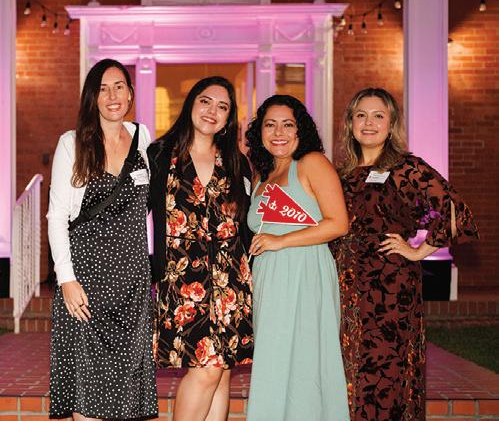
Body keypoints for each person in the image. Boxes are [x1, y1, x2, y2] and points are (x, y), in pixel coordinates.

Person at [331, 87, 479, 421]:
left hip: (389, 290)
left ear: (391, 124)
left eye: (378, 116)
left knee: (385, 372)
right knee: (347, 371)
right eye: (361, 115)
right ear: (350, 123)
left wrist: (417, 252)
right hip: (344, 289)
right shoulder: (341, 174)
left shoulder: (406, 168)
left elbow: (455, 212)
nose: (369, 123)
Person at [47, 59, 158, 419]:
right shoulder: (73, 143)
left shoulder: (143, 138)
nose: (112, 96)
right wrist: (66, 279)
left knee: (126, 392)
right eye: (103, 89)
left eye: (119, 87)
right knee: (88, 390)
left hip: (132, 285)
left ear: (130, 93)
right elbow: (57, 216)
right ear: (92, 97)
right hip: (86, 284)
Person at [147, 76, 253, 421]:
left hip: (231, 282)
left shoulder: (236, 162)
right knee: (206, 371)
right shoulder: (160, 155)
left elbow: (246, 224)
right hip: (182, 280)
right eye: (206, 101)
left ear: (229, 118)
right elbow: (136, 212)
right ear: (191, 103)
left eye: (223, 107)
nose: (212, 111)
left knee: (220, 374)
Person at [245, 94, 350, 421]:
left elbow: (339, 223)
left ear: (300, 130)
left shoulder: (311, 163)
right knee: (273, 358)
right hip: (269, 276)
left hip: (305, 273)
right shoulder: (261, 175)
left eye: (287, 124)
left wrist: (281, 241)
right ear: (260, 132)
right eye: (270, 125)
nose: (278, 132)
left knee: (306, 359)